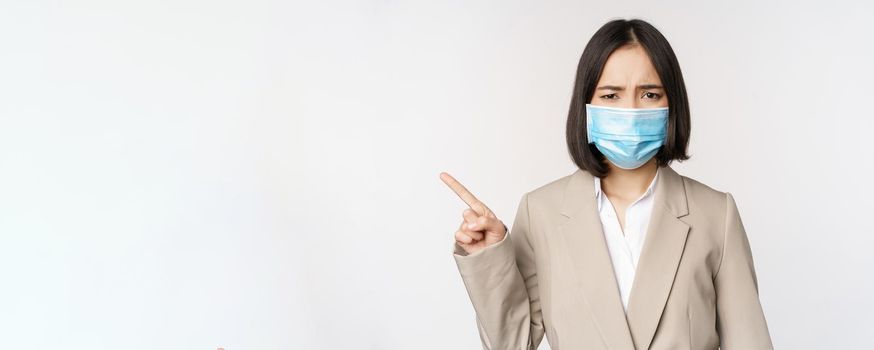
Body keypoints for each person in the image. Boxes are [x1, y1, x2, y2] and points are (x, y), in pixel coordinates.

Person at [439, 18, 773, 350]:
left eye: (650, 94)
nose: (630, 110)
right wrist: (489, 259)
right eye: (611, 95)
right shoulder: (541, 211)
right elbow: (512, 344)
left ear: (672, 106)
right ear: (587, 106)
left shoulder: (716, 214)